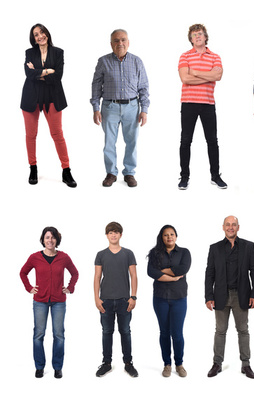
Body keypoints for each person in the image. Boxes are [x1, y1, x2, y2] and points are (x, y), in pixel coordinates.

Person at [90, 29, 149, 188]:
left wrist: (144, 110)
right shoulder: (103, 61)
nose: (120, 43)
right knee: (109, 142)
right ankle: (111, 173)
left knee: (132, 142)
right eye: (116, 40)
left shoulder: (137, 61)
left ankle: (129, 173)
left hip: (132, 107)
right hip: (110, 107)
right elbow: (96, 86)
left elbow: (143, 87)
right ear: (111, 44)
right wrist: (96, 108)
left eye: (123, 40)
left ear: (128, 43)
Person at [204, 215, 254, 379]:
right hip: (220, 295)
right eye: (228, 225)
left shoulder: (249, 246)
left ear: (238, 227)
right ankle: (217, 364)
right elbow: (210, 273)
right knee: (220, 331)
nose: (230, 227)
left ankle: (246, 364)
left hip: (242, 294)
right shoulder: (214, 248)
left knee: (243, 330)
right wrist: (208, 296)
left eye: (233, 225)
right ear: (223, 227)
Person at [21, 23, 76, 187]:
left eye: (42, 32)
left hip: (53, 96)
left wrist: (38, 72)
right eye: (36, 34)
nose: (40, 36)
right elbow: (28, 74)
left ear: (47, 33)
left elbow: (58, 76)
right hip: (31, 97)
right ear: (34, 39)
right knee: (31, 135)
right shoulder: (29, 53)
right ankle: (33, 168)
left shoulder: (58, 52)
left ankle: (66, 171)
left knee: (57, 134)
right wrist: (47, 71)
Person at [20, 226, 79, 379]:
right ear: (43, 239)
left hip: (59, 301)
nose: (50, 240)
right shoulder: (35, 257)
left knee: (59, 335)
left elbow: (75, 273)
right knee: (38, 334)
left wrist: (70, 288)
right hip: (40, 301)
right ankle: (39, 367)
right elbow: (23, 272)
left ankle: (57, 367)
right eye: (47, 237)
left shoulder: (64, 257)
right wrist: (29, 288)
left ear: (56, 240)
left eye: (52, 237)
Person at [178, 24, 226, 190]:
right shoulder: (185, 56)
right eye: (194, 35)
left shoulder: (215, 56)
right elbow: (185, 79)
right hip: (189, 103)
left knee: (212, 141)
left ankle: (215, 175)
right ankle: (184, 177)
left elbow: (218, 75)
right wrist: (208, 76)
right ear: (191, 39)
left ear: (205, 37)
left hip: (207, 103)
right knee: (185, 141)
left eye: (200, 34)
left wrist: (196, 73)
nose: (198, 36)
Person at [93, 222, 139, 378]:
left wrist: (133, 296)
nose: (113, 235)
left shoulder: (128, 253)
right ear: (106, 235)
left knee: (125, 331)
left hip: (124, 301)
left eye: (116, 232)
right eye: (110, 232)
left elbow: (133, 275)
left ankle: (128, 363)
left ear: (121, 235)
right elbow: (97, 277)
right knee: (107, 332)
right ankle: (106, 363)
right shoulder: (101, 254)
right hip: (105, 300)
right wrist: (96, 298)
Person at [147, 225, 191, 377]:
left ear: (176, 237)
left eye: (172, 234)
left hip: (179, 298)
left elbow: (183, 269)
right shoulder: (155, 253)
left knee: (177, 334)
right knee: (164, 333)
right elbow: (150, 272)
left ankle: (179, 364)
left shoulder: (184, 252)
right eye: (166, 235)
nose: (169, 237)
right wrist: (172, 274)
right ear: (162, 237)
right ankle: (167, 364)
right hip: (160, 298)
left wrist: (162, 270)